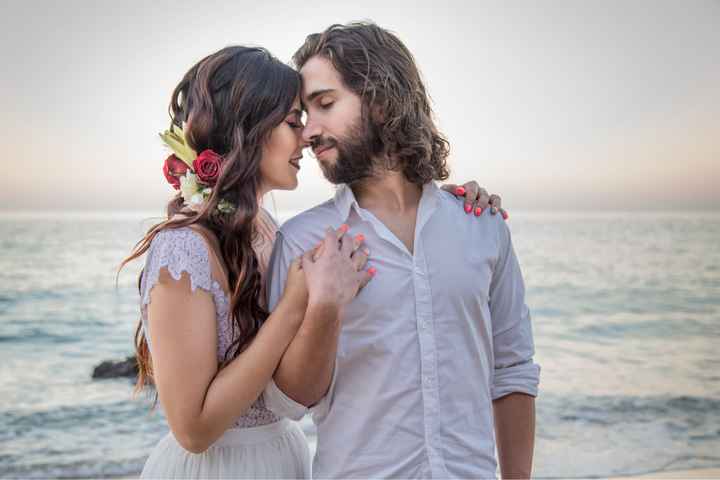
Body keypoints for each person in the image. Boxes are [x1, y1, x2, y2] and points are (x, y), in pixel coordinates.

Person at [120, 45, 503, 478]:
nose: (305, 136)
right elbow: (193, 430)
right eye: (291, 121)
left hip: (281, 458)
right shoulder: (183, 251)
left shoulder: (265, 229)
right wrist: (298, 303)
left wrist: (444, 204)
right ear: (250, 127)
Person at [263, 22, 540, 479]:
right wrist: (325, 309)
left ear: (381, 98)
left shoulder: (482, 226)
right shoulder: (301, 240)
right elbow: (289, 400)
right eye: (304, 114)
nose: (309, 132)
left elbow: (512, 370)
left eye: (325, 105)